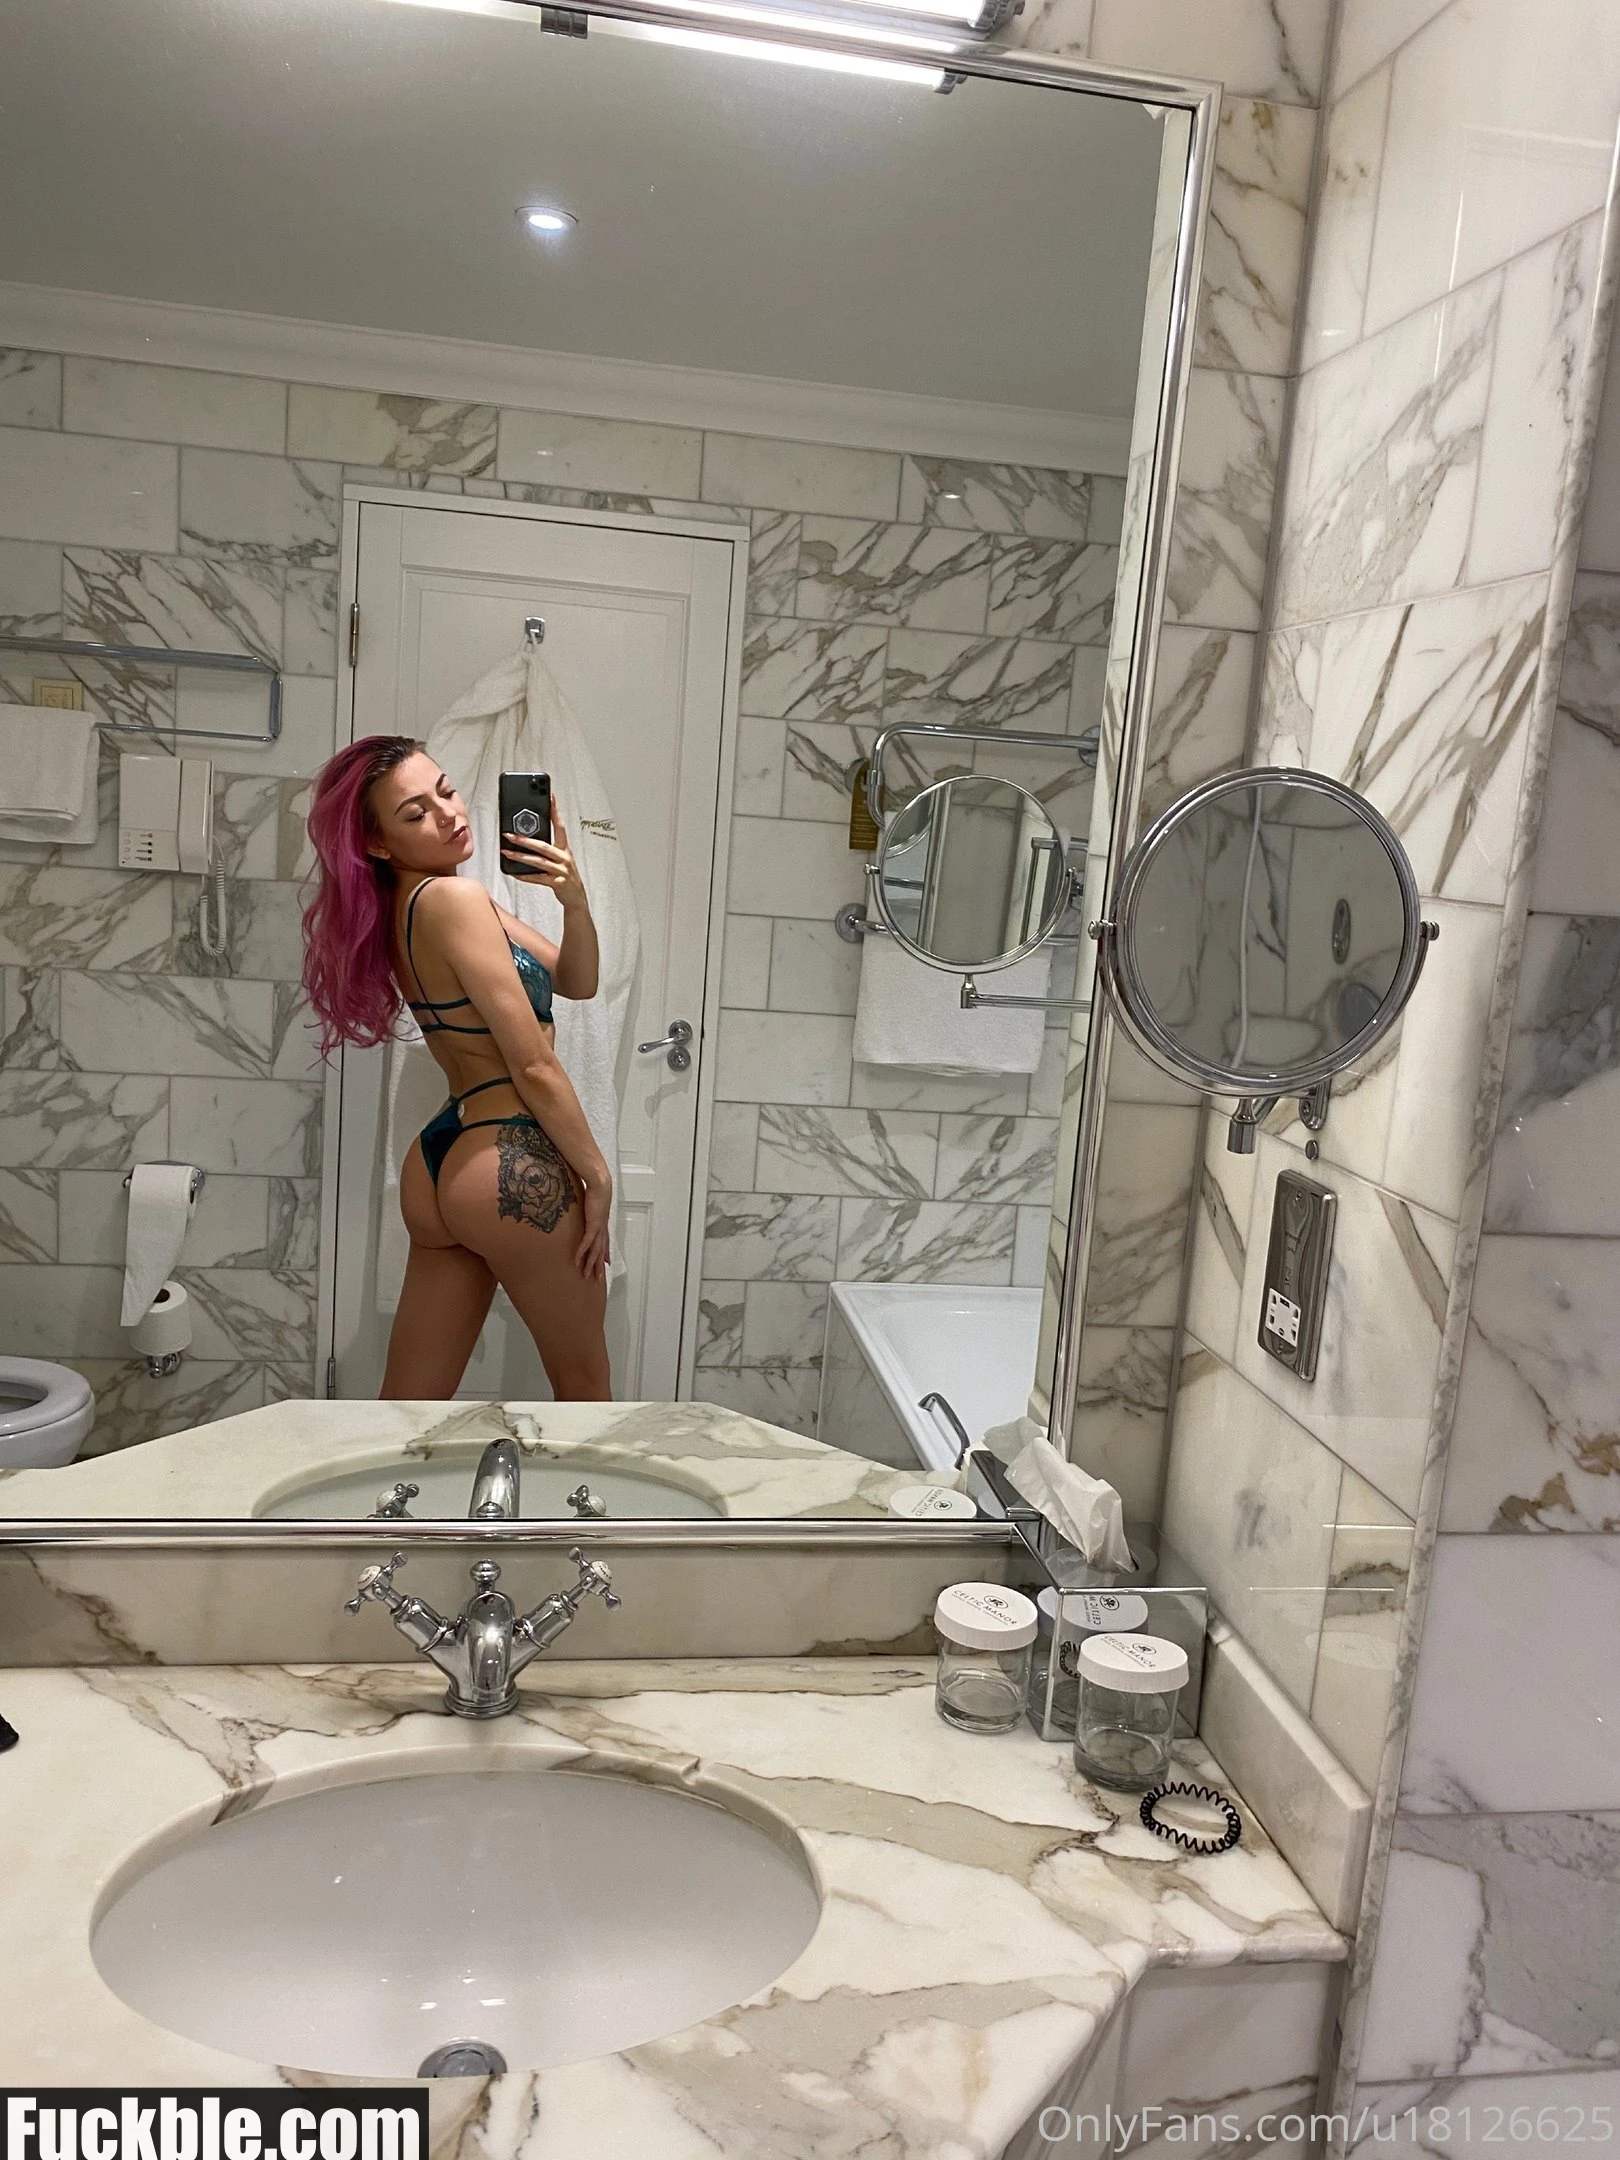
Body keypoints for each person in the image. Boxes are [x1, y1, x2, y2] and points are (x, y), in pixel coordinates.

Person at [302, 734, 612, 1400]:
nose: (448, 814)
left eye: (445, 791)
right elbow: (533, 1065)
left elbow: (578, 981)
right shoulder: (455, 902)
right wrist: (597, 1175)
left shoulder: (415, 904)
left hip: (441, 1159)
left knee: (407, 1405)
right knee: (585, 1388)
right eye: (416, 813)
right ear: (378, 844)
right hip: (511, 1154)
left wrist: (574, 898)